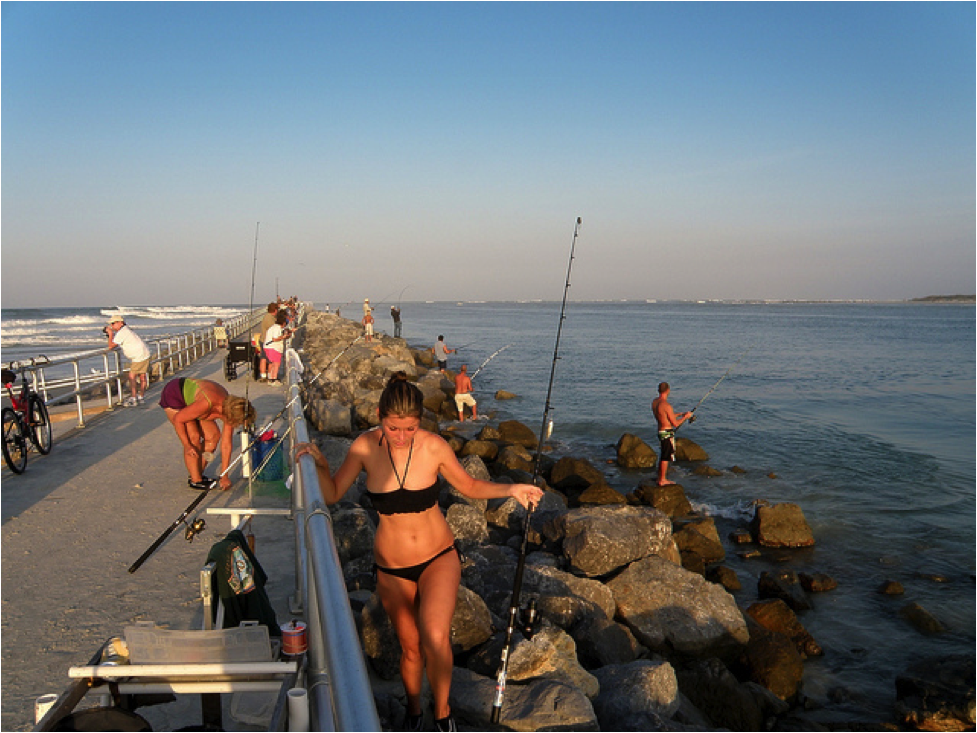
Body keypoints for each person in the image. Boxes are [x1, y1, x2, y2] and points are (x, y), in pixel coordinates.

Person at [294, 373, 543, 733]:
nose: (401, 436)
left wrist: (513, 488)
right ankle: (414, 711)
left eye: (409, 428)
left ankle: (442, 714)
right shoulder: (364, 447)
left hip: (437, 557)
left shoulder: (433, 447)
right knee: (410, 648)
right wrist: (318, 463)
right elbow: (332, 494)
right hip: (391, 567)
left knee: (435, 635)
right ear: (380, 416)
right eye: (394, 428)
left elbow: (470, 486)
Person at [159, 377, 256, 490]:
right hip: (175, 394)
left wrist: (224, 475)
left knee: (213, 436)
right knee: (193, 437)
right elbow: (178, 419)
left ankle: (197, 473)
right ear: (231, 415)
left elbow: (226, 445)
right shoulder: (207, 403)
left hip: (196, 404)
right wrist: (187, 445)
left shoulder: (230, 409)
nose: (237, 424)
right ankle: (196, 481)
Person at [652, 381, 693, 486]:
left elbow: (665, 417)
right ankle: (662, 480)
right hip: (667, 433)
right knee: (665, 457)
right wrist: (685, 417)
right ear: (668, 390)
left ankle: (660, 477)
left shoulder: (655, 402)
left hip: (660, 431)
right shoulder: (666, 405)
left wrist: (681, 414)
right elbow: (675, 424)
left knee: (664, 455)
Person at [105, 315, 151, 406]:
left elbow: (111, 346)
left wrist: (110, 334)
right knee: (142, 377)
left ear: (120, 323)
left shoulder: (122, 332)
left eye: (113, 323)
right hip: (144, 353)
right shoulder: (126, 330)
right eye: (111, 324)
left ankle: (133, 399)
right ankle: (141, 397)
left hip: (139, 356)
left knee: (132, 377)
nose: (112, 326)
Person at [262, 311, 290, 384]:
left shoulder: (274, 327)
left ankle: (270, 378)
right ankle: (274, 379)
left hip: (268, 347)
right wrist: (283, 337)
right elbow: (275, 338)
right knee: (276, 363)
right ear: (283, 323)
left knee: (271, 363)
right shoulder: (277, 328)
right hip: (273, 348)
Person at [258, 302, 279, 382]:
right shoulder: (270, 318)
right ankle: (270, 376)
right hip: (267, 342)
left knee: (263, 358)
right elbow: (274, 329)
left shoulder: (267, 316)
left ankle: (263, 375)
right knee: (270, 360)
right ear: (275, 310)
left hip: (263, 340)